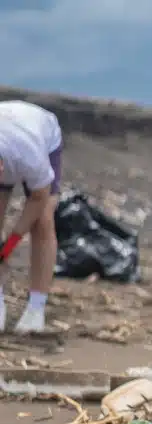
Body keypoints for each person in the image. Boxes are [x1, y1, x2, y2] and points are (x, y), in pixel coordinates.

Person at [0, 100, 63, 334]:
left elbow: (38, 199)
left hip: (40, 135)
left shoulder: (31, 156)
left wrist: (11, 243)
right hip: (8, 128)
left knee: (43, 221)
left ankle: (36, 307)